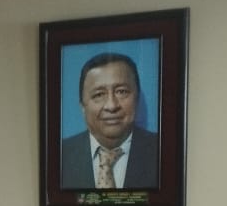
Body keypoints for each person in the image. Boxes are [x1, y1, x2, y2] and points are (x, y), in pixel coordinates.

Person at [58, 51, 161, 190]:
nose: (111, 106)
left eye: (121, 91)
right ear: (82, 106)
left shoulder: (162, 151)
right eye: (99, 94)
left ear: (136, 99)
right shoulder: (59, 155)